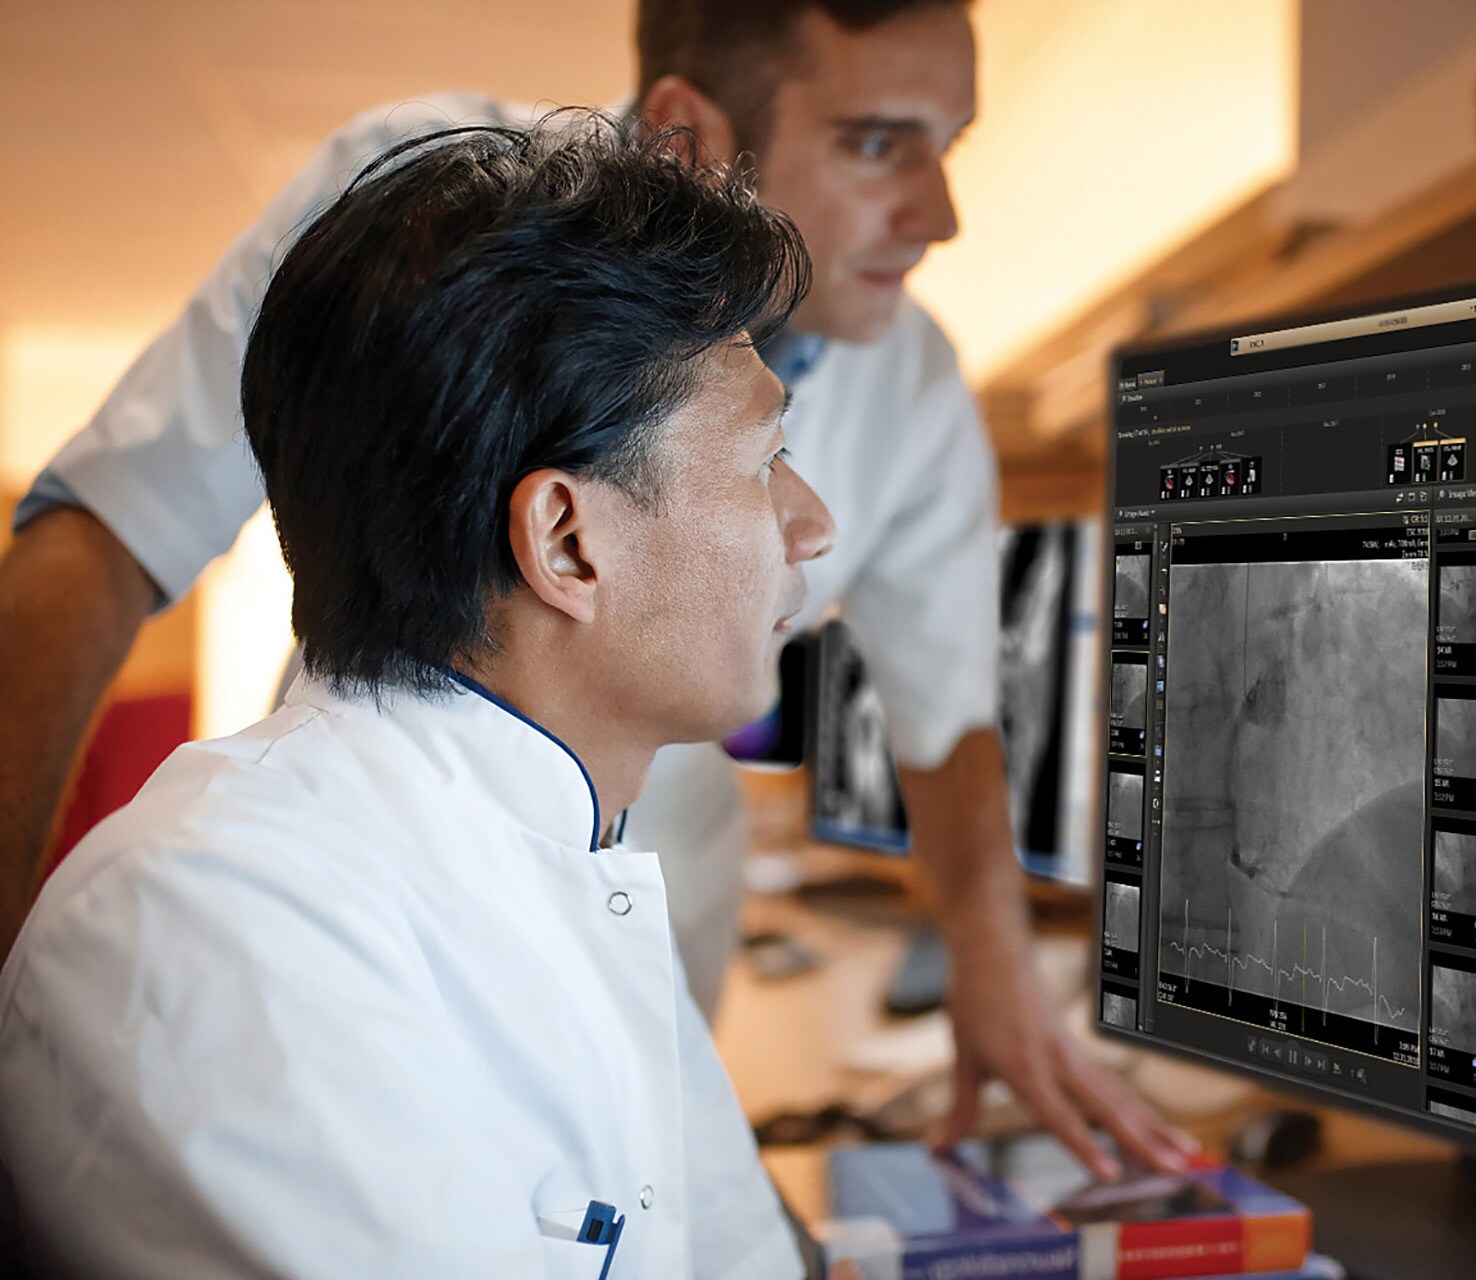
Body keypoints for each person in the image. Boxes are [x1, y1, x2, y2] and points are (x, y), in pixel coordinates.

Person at [0, 0, 1190, 1177]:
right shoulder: (424, 215)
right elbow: (108, 531)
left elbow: (947, 718)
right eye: (875, 142)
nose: (942, 216)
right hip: (392, 839)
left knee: (634, 1187)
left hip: (658, 847)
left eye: (951, 143)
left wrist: (994, 964)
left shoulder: (912, 379)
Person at [1, 110, 823, 1278]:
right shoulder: (217, 934)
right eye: (762, 463)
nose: (815, 523)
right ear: (568, 543)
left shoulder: (560, 859)